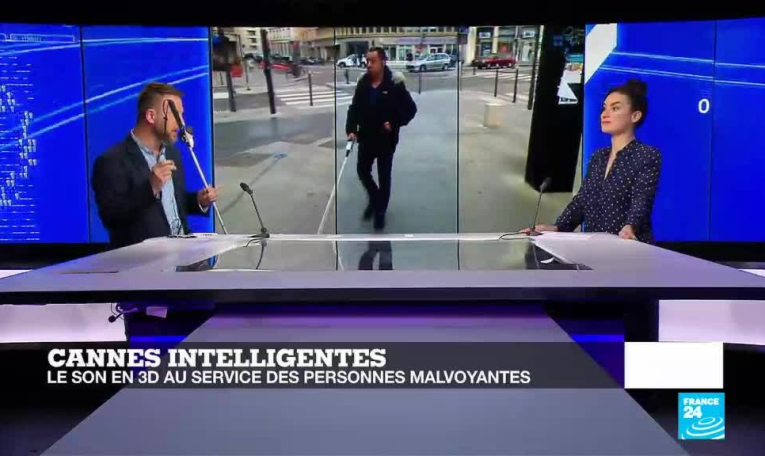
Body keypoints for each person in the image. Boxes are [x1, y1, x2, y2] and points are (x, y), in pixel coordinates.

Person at [526, 79, 661, 243]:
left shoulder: (647, 155)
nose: (604, 114)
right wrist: (557, 227)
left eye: (615, 108)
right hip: (594, 247)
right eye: (604, 108)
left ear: (635, 116)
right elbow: (582, 200)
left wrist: (630, 226)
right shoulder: (598, 157)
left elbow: (642, 199)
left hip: (629, 246)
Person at [92, 82, 218, 249]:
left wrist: (198, 201)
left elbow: (172, 204)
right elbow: (111, 219)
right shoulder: (111, 161)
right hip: (145, 261)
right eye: (176, 115)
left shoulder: (172, 153)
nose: (181, 123)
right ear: (151, 116)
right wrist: (150, 188)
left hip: (183, 254)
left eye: (182, 115)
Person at [346, 47, 418, 230]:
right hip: (366, 138)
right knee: (362, 171)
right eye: (367, 61)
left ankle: (380, 212)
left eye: (373, 61)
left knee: (384, 177)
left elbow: (411, 110)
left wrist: (394, 123)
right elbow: (354, 108)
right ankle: (375, 199)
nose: (368, 65)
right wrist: (352, 129)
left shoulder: (395, 84)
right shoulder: (363, 83)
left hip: (386, 140)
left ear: (383, 62)